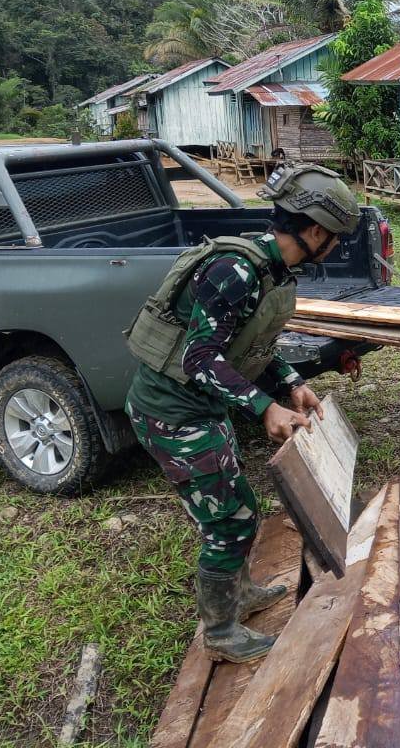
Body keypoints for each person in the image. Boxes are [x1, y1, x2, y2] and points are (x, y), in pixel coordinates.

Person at [123, 164, 362, 663]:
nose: (337, 245)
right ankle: (220, 632)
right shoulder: (233, 271)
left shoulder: (269, 270)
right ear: (315, 231)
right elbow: (199, 358)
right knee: (229, 523)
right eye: (335, 236)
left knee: (240, 506)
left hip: (204, 408)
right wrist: (264, 407)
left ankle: (242, 593)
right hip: (173, 414)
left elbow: (250, 346)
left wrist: (291, 384)